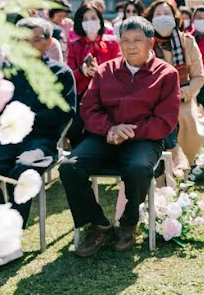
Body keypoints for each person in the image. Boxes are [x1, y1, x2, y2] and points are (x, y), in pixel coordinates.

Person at [59, 16, 180, 256]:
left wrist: (130, 131)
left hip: (145, 139)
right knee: (69, 166)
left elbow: (165, 120)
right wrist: (109, 129)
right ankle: (98, 224)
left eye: (137, 40)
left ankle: (128, 222)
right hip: (106, 136)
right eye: (125, 40)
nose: (131, 45)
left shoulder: (167, 74)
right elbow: (88, 108)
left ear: (151, 42)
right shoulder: (106, 70)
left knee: (138, 168)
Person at [0, 17, 76, 228]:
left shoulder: (61, 73)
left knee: (23, 169)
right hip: (5, 137)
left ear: (49, 42)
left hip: (41, 141)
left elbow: (63, 114)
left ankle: (13, 230)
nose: (28, 46)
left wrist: (25, 119)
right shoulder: (5, 73)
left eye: (36, 40)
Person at [145, 0, 204, 172]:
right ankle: (162, 166)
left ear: (175, 17)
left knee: (186, 121)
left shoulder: (187, 42)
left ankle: (183, 163)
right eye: (158, 14)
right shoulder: (144, 44)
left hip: (183, 97)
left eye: (166, 14)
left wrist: (182, 94)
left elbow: (199, 77)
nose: (162, 17)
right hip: (152, 100)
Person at [66, 0, 121, 146]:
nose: (89, 22)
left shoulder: (112, 43)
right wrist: (82, 71)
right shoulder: (74, 45)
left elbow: (119, 69)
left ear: (100, 20)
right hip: (81, 94)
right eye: (85, 19)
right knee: (74, 126)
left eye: (93, 18)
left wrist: (100, 72)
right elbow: (69, 74)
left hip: (106, 94)